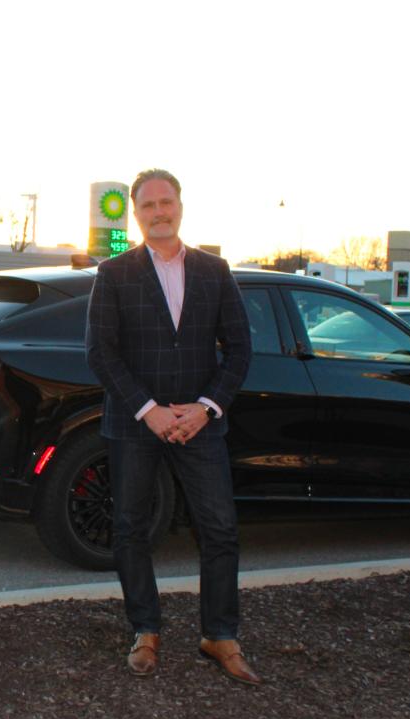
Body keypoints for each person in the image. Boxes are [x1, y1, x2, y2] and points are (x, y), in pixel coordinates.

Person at [85, 169, 258, 684]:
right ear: (136, 213)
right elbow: (100, 353)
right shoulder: (113, 274)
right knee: (130, 529)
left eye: (166, 202)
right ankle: (146, 629)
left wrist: (206, 407)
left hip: (200, 423)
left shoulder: (215, 270)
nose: (159, 212)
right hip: (136, 423)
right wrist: (150, 409)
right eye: (148, 206)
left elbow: (240, 349)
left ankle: (220, 635)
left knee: (221, 529)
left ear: (180, 205)